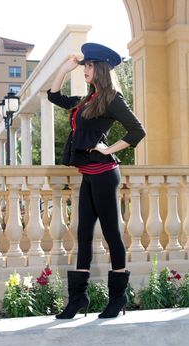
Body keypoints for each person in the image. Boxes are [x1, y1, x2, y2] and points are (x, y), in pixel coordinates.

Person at [47, 42, 146, 319]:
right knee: (83, 234)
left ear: (100, 68)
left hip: (104, 174)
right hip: (88, 175)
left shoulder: (112, 98)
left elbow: (138, 130)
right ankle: (78, 299)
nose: (85, 70)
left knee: (112, 233)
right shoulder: (88, 99)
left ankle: (118, 298)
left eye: (89, 66)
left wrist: (107, 149)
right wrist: (64, 70)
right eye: (85, 65)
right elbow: (54, 96)